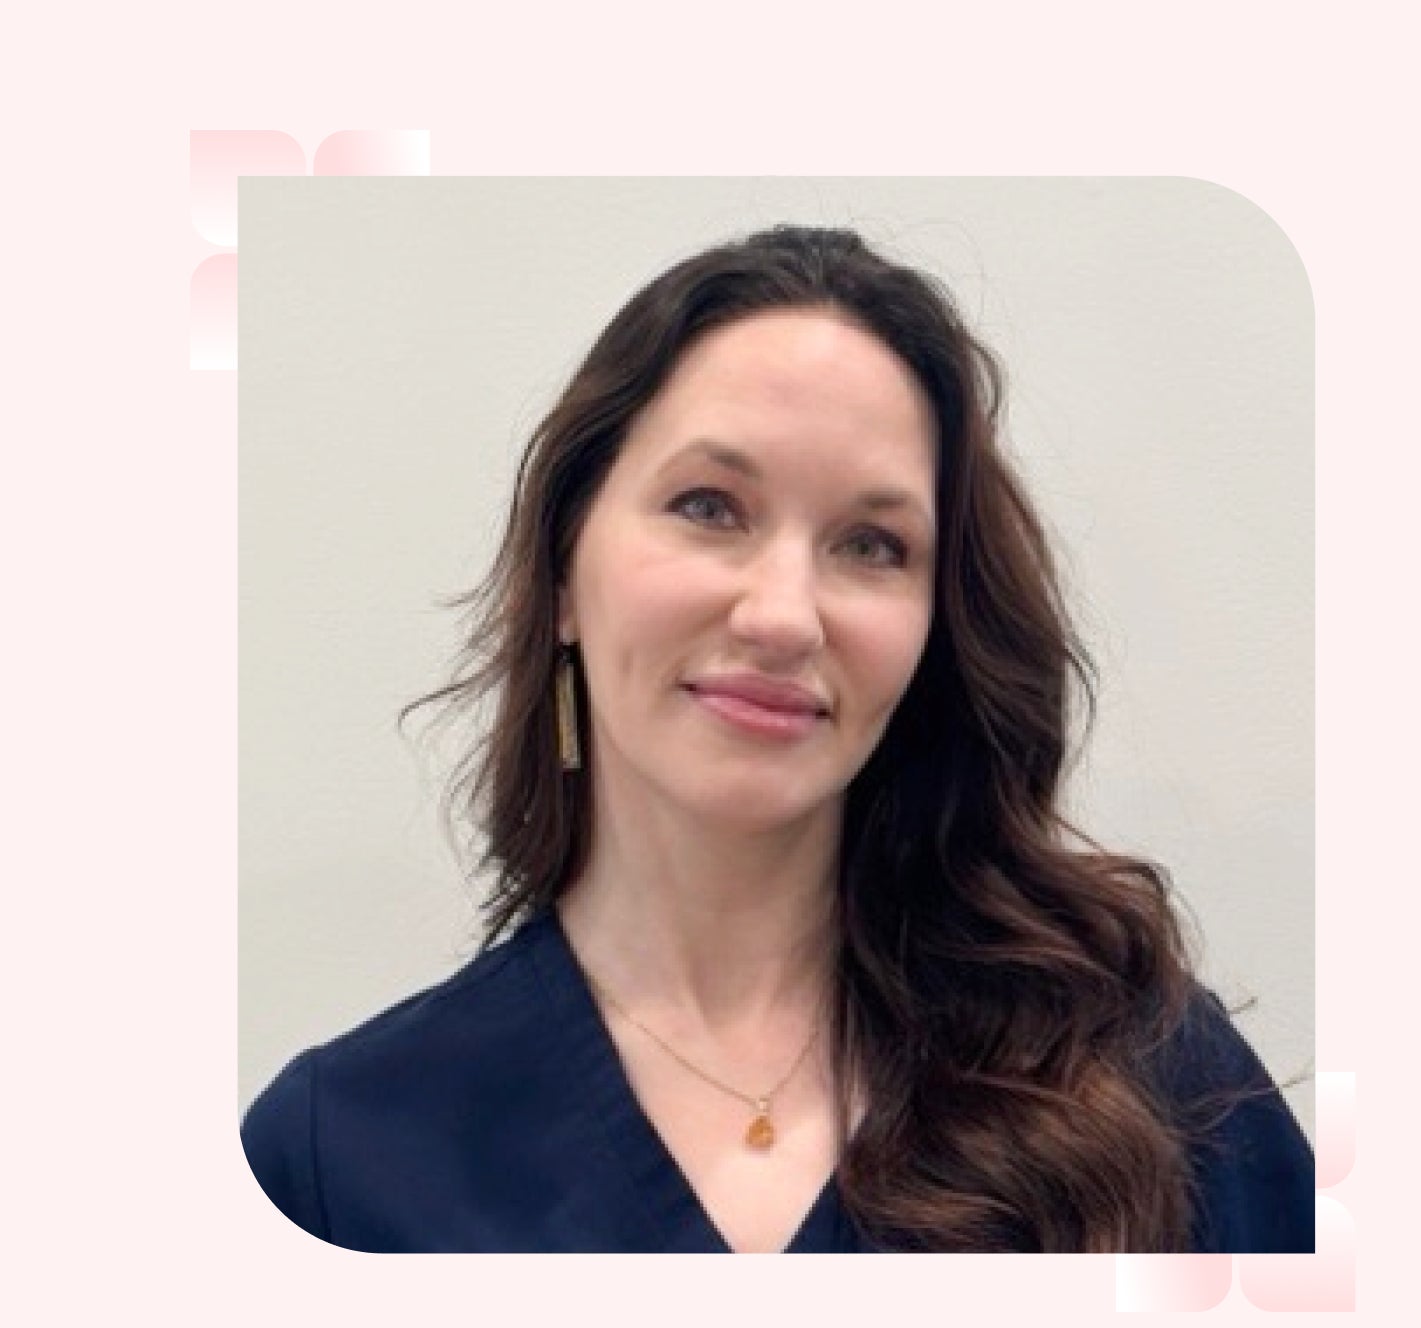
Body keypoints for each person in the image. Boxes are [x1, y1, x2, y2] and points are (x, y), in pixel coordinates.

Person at [241, 225, 1314, 1253]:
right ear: (565, 568)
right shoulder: (335, 1160)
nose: (784, 615)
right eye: (710, 507)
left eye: (871, 544)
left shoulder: (1144, 1078)